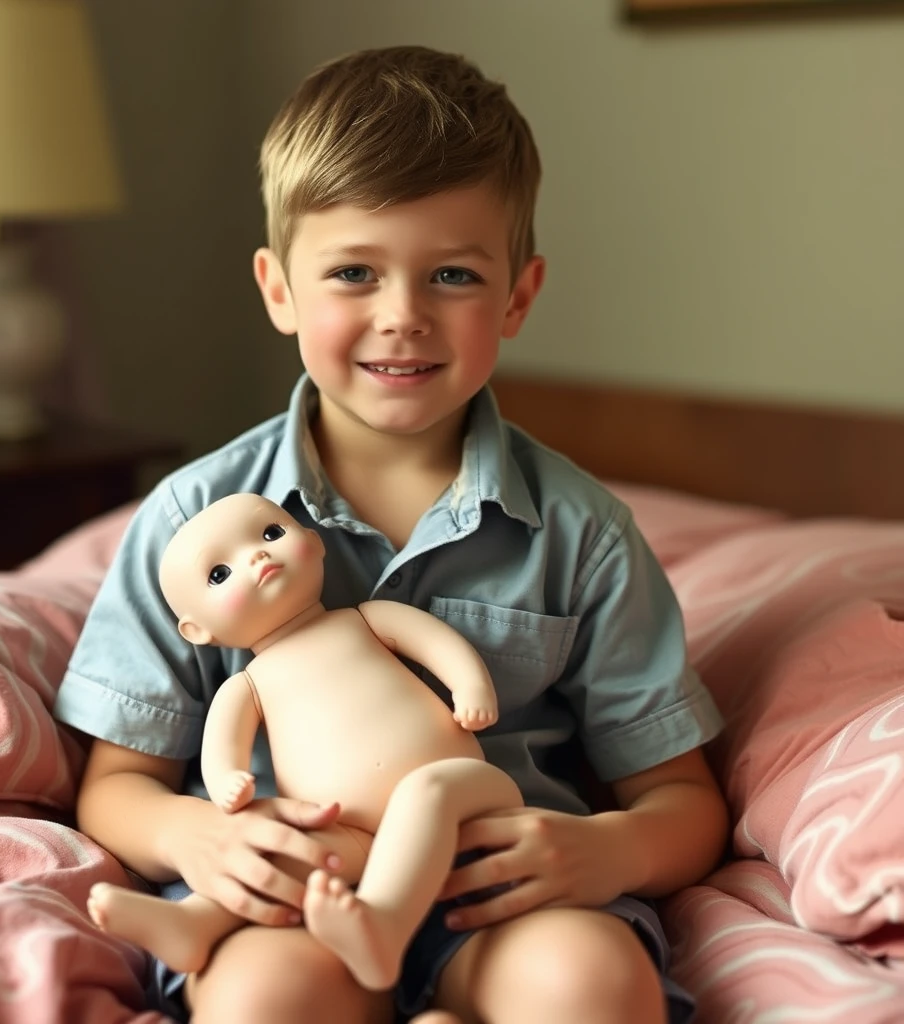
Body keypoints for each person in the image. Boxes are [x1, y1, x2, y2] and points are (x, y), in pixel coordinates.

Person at [53, 44, 729, 1024]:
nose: (401, 316)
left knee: (591, 984)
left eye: (451, 274)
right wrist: (194, 837)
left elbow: (682, 798)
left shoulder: (581, 532)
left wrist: (610, 849)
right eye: (354, 273)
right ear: (279, 289)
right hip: (296, 906)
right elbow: (117, 781)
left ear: (518, 295)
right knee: (256, 1000)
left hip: (499, 901)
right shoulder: (194, 517)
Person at [88, 491, 524, 992]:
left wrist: (470, 687)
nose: (255, 556)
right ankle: (198, 922)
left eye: (271, 534)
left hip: (468, 797)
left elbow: (438, 643)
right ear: (197, 630)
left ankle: (385, 925)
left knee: (426, 793)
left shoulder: (365, 620)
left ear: (314, 544)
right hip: (352, 832)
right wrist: (227, 782)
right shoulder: (247, 686)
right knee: (282, 860)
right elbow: (222, 750)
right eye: (219, 574)